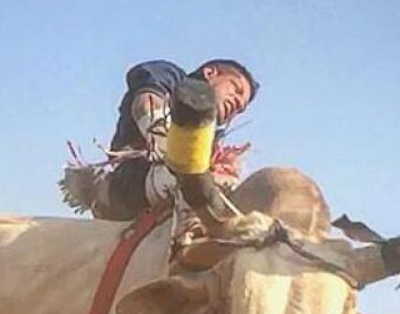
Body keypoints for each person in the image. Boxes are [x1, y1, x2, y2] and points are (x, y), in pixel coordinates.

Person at [68, 58, 259, 221]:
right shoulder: (172, 76)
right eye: (237, 89)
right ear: (210, 72)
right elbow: (145, 103)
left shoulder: (210, 136)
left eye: (241, 109)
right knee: (201, 185)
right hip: (129, 180)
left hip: (166, 199)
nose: (238, 103)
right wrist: (170, 151)